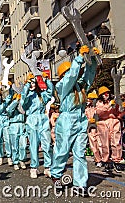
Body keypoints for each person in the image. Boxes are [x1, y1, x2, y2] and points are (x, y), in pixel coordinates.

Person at [50, 46, 98, 196]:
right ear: (62, 75)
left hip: (80, 120)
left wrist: (93, 61)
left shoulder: (80, 88)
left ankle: (80, 184)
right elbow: (71, 77)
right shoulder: (61, 86)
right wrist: (79, 58)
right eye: (67, 72)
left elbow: (88, 78)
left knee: (80, 153)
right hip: (66, 121)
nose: (71, 75)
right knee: (62, 150)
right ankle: (56, 174)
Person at [21, 73, 53, 179]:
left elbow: (50, 92)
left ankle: (48, 167)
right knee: (34, 145)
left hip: (43, 119)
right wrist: (26, 85)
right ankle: (34, 167)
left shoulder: (41, 95)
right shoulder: (27, 96)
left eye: (34, 82)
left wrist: (46, 80)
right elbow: (23, 101)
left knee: (47, 144)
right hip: (31, 120)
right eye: (30, 82)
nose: (32, 84)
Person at [95, 86, 124, 172]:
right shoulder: (99, 103)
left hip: (114, 121)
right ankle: (106, 160)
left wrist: (119, 107)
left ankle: (117, 160)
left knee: (116, 141)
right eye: (104, 93)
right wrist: (108, 106)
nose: (106, 94)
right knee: (105, 143)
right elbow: (99, 112)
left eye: (107, 92)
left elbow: (120, 111)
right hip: (103, 122)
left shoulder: (114, 101)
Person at [6, 93, 27, 170]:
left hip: (22, 124)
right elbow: (8, 111)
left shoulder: (22, 104)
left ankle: (22, 159)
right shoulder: (11, 106)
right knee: (15, 145)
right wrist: (15, 101)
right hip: (13, 125)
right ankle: (15, 161)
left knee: (23, 145)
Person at [85, 91, 102, 168]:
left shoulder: (98, 107)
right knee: (93, 145)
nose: (89, 100)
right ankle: (98, 160)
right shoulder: (86, 109)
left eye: (90, 99)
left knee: (101, 144)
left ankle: (104, 159)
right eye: (88, 99)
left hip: (100, 127)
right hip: (91, 128)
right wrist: (88, 121)